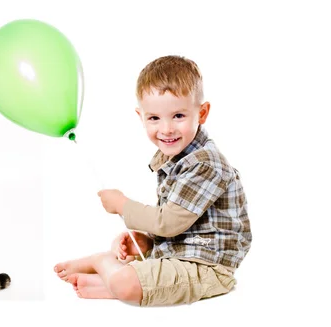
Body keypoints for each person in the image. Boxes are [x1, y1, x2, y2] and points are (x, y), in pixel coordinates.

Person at [54, 55, 252, 306]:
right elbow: (177, 220)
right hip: (181, 255)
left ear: (201, 113)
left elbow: (169, 222)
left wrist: (123, 205)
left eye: (178, 115)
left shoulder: (205, 164)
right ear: (141, 116)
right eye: (154, 118)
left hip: (208, 267)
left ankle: (102, 264)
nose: (166, 128)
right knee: (130, 271)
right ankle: (110, 281)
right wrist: (148, 240)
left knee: (126, 284)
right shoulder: (176, 158)